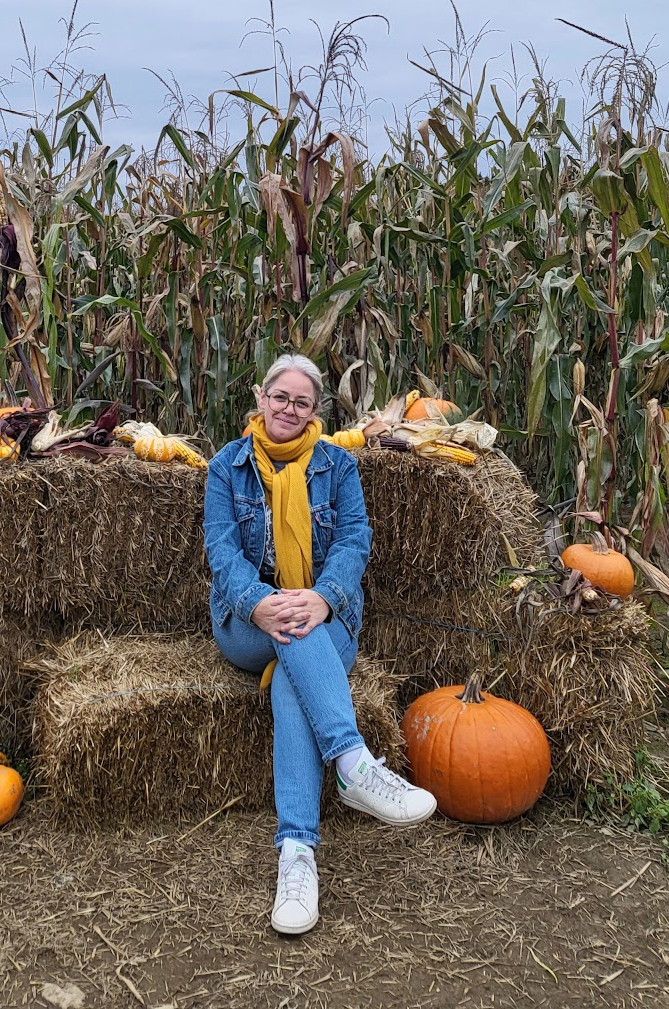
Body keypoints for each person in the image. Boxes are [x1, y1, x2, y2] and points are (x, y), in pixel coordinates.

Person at [203, 354, 436, 936]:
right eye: (279, 396)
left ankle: (297, 856)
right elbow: (222, 550)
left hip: (325, 616)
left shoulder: (337, 466)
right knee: (290, 630)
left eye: (301, 402)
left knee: (294, 666)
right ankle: (354, 764)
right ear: (260, 398)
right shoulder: (226, 468)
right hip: (246, 621)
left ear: (316, 411)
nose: (287, 408)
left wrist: (325, 596)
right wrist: (259, 600)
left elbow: (356, 540)